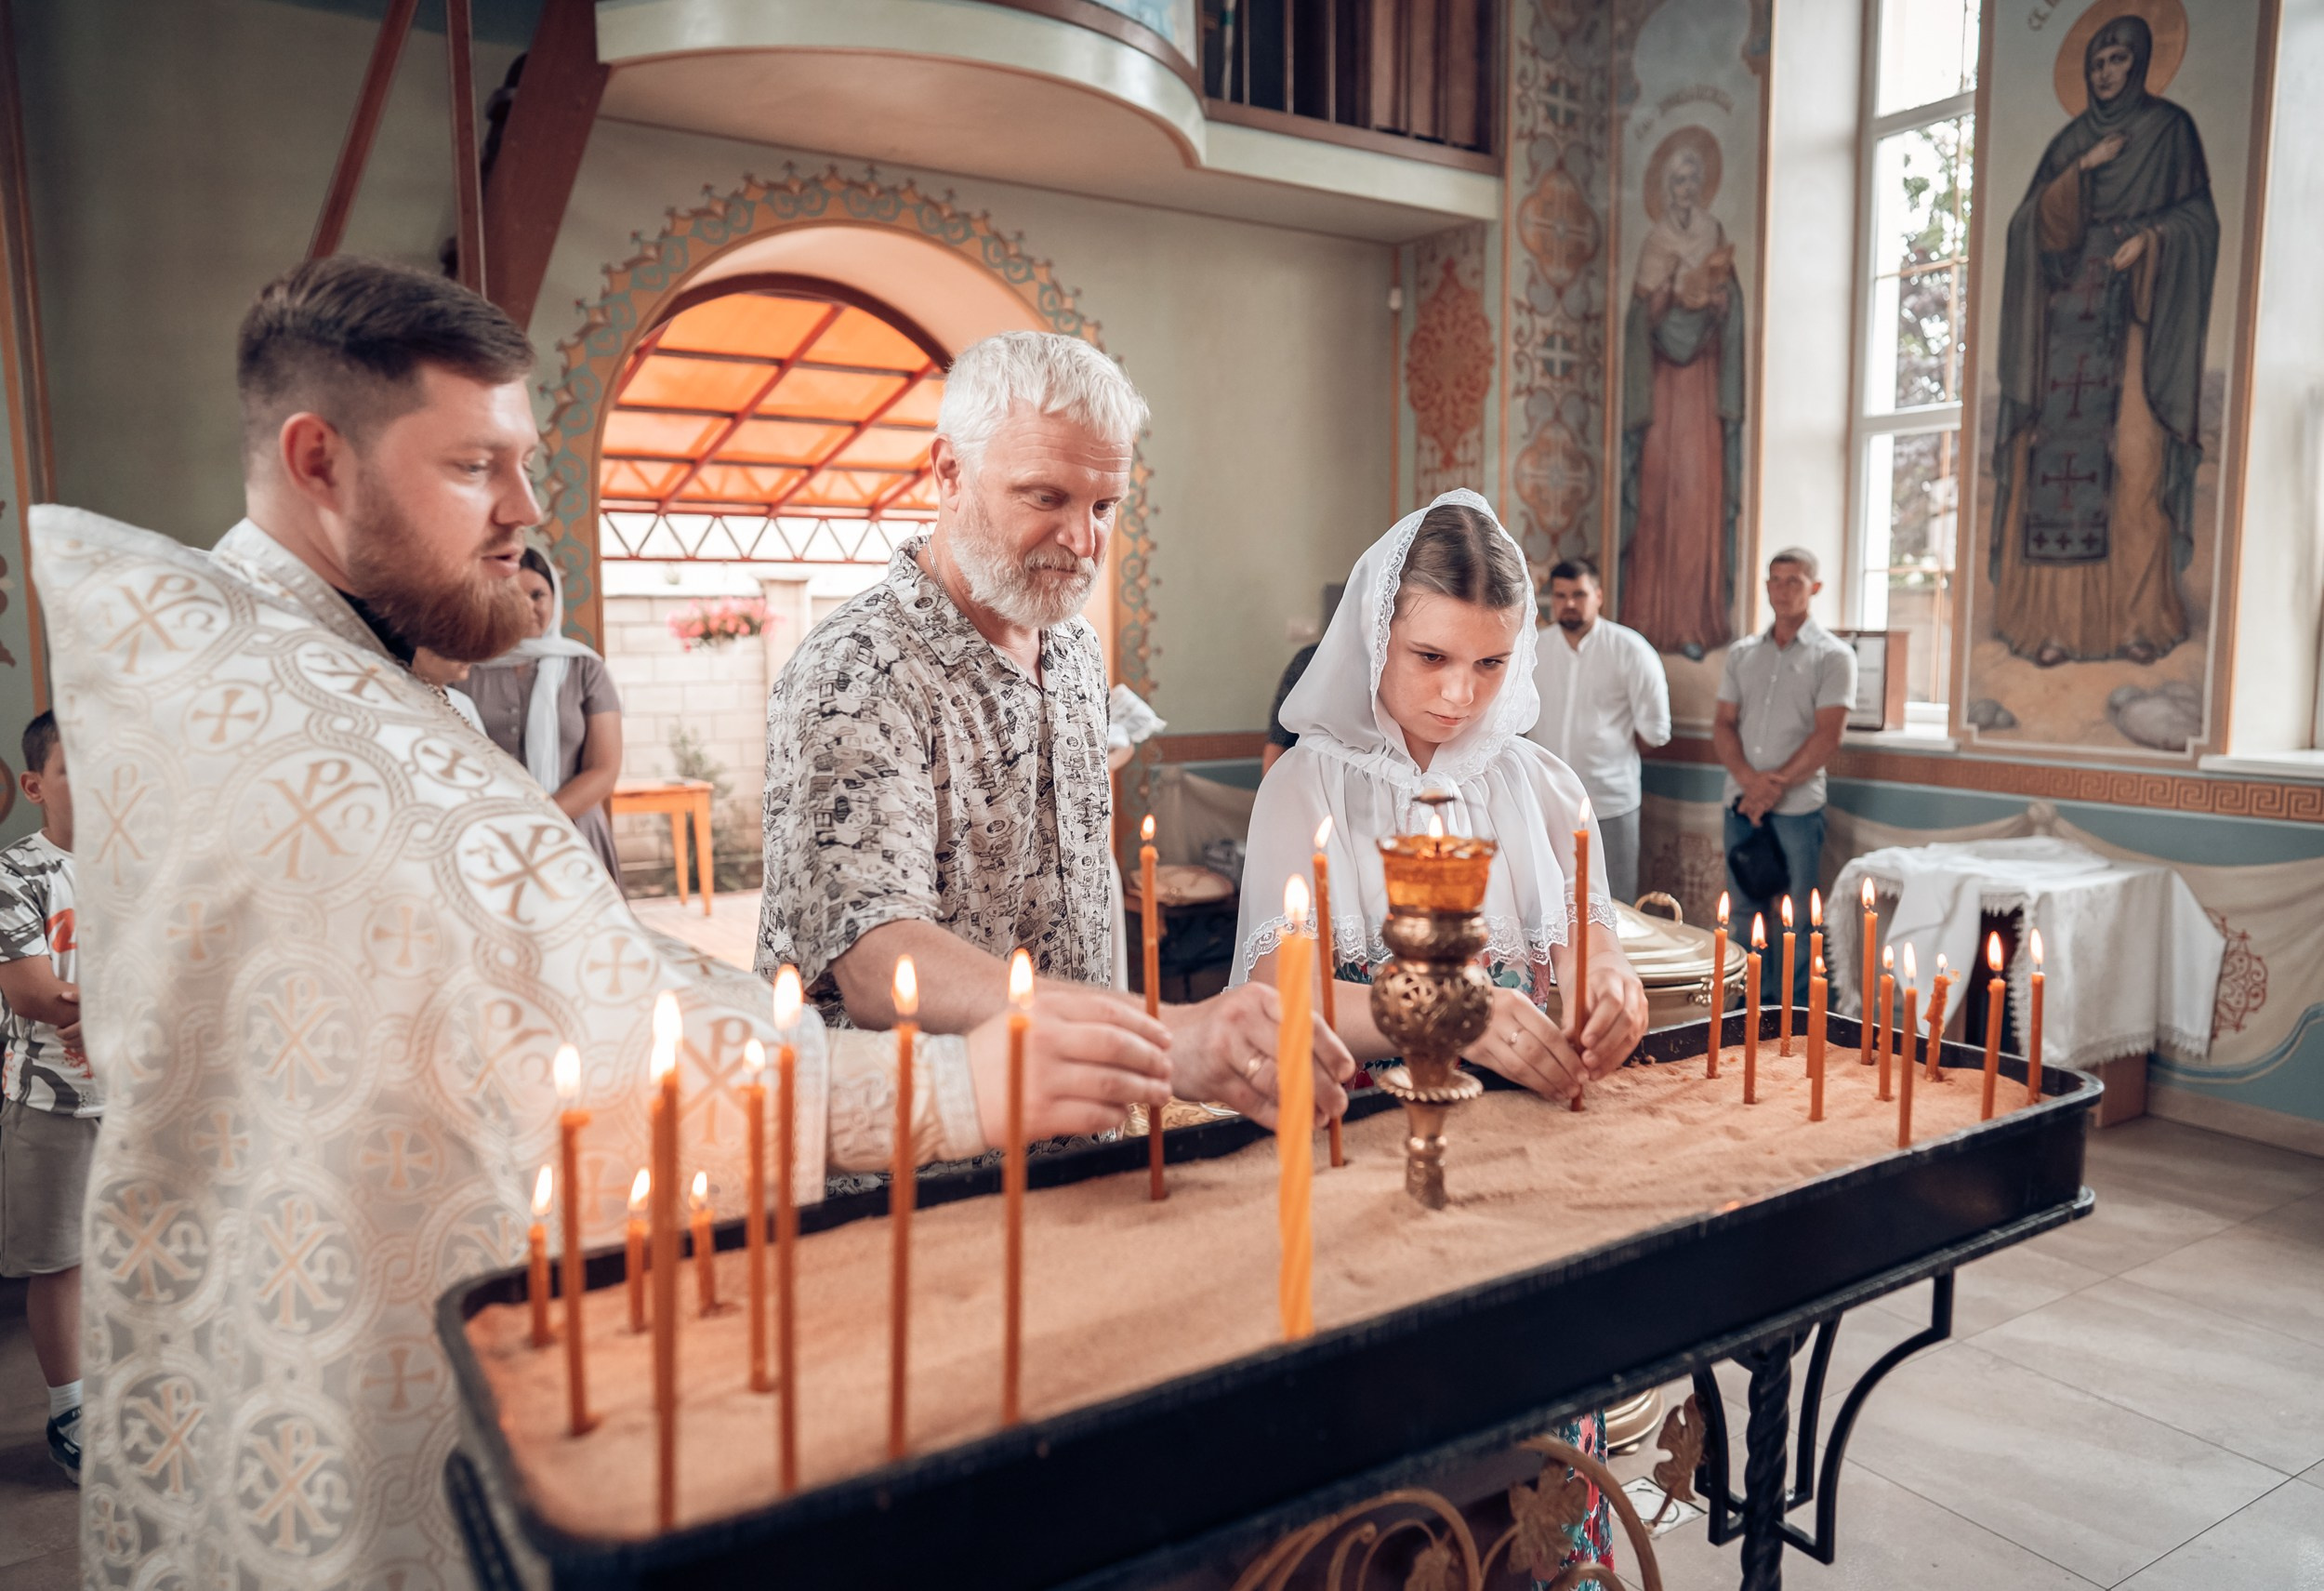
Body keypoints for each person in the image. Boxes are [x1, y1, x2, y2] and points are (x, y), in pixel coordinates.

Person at [33, 258, 1175, 1589]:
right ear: (318, 461)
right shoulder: (313, 746)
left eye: (523, 461)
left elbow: (584, 956)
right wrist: (956, 1088)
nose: (529, 509)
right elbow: (590, 1028)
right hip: (327, 1378)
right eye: (476, 467)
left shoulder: (335, 668)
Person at [759, 330, 1353, 1127]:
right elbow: (878, 959)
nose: (1083, 542)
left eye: (1104, 506)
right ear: (948, 473)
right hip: (913, 1157)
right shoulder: (858, 670)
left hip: (1075, 1128)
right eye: (1046, 497)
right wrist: (1160, 1037)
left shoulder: (1070, 644)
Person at [1232, 489, 1649, 1581]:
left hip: (1534, 1184)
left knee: (1540, 1470)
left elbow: (1593, 953)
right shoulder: (1305, 787)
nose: (1459, 697)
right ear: (1375, 635)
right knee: (1400, 1491)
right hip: (1365, 1181)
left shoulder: (1546, 788)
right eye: (1429, 658)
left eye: (1491, 665)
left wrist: (1613, 995)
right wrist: (1453, 1015)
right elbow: (1287, 1007)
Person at [1989, 13, 2216, 668]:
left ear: (2141, 62)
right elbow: (2027, 228)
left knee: (2137, 464)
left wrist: (2152, 241)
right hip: (2066, 325)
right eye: (2097, 63)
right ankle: (2056, 626)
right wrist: (2081, 170)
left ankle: (2138, 619)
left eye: (2118, 59)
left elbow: (2199, 220)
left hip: (2136, 317)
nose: (2107, 72)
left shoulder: (2171, 133)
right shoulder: (2070, 141)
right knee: (2054, 472)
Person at [1619, 128, 1744, 659]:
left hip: (1702, 390)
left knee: (1697, 503)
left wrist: (1719, 304)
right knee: (1658, 499)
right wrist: (1666, 295)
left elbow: (1733, 308)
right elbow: (1637, 321)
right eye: (1677, 180)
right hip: (1665, 392)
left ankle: (1696, 620)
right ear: (1665, 188)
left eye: (1693, 178)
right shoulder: (1655, 243)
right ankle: (1649, 620)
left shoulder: (1714, 233)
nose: (1686, 188)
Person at [1712, 548, 1856, 1005]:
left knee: (1797, 914)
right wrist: (1749, 782)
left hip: (1798, 808)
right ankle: (1745, 1005)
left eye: (1794, 581)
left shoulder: (1834, 656)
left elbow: (1828, 735)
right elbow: (1723, 724)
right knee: (1742, 908)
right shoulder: (1742, 654)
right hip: (1741, 803)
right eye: (1774, 580)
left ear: (1814, 588)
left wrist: (1772, 786)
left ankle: (1793, 1011)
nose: (1782, 590)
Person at [0, 710, 85, 1481]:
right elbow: (34, 994)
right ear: (35, 785)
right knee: (60, 1262)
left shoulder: (152, 864)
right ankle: (70, 1410)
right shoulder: (16, 872)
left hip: (151, 1100)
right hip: (55, 1100)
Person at [456, 545, 626, 884]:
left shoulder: (584, 668)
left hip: (575, 836)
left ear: (554, 599)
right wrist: (511, 830)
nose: (529, 607)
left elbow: (603, 769)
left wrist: (537, 823)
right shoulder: (463, 669)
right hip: (491, 842)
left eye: (538, 595)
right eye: (513, 595)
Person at [1524, 556, 1670, 905]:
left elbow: (1654, 733)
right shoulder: (1533, 649)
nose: (1569, 604)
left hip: (1610, 803)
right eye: (1560, 596)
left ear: (1599, 596)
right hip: (1545, 800)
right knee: (1546, 904)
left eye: (1579, 594)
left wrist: (1606, 755)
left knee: (1613, 905)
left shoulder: (1631, 650)